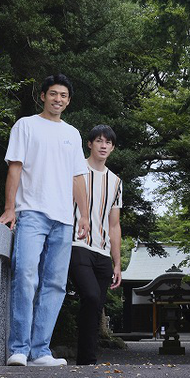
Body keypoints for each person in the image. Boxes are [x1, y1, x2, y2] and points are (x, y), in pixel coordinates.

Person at [0, 74, 90, 367]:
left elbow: (77, 177)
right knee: (25, 276)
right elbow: (15, 168)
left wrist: (85, 215)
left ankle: (41, 351)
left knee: (55, 285)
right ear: (43, 96)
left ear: (68, 101)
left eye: (63, 95)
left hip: (63, 218)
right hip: (31, 212)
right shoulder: (26, 125)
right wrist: (10, 209)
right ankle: (19, 348)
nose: (58, 99)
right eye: (53, 94)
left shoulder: (72, 133)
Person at [67, 124, 123, 365]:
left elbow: (114, 225)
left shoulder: (116, 181)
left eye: (108, 142)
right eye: (99, 141)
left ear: (112, 148)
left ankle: (87, 361)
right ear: (89, 144)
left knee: (96, 305)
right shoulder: (76, 170)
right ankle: (84, 358)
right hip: (77, 243)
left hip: (103, 252)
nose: (103, 146)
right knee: (90, 296)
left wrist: (117, 263)